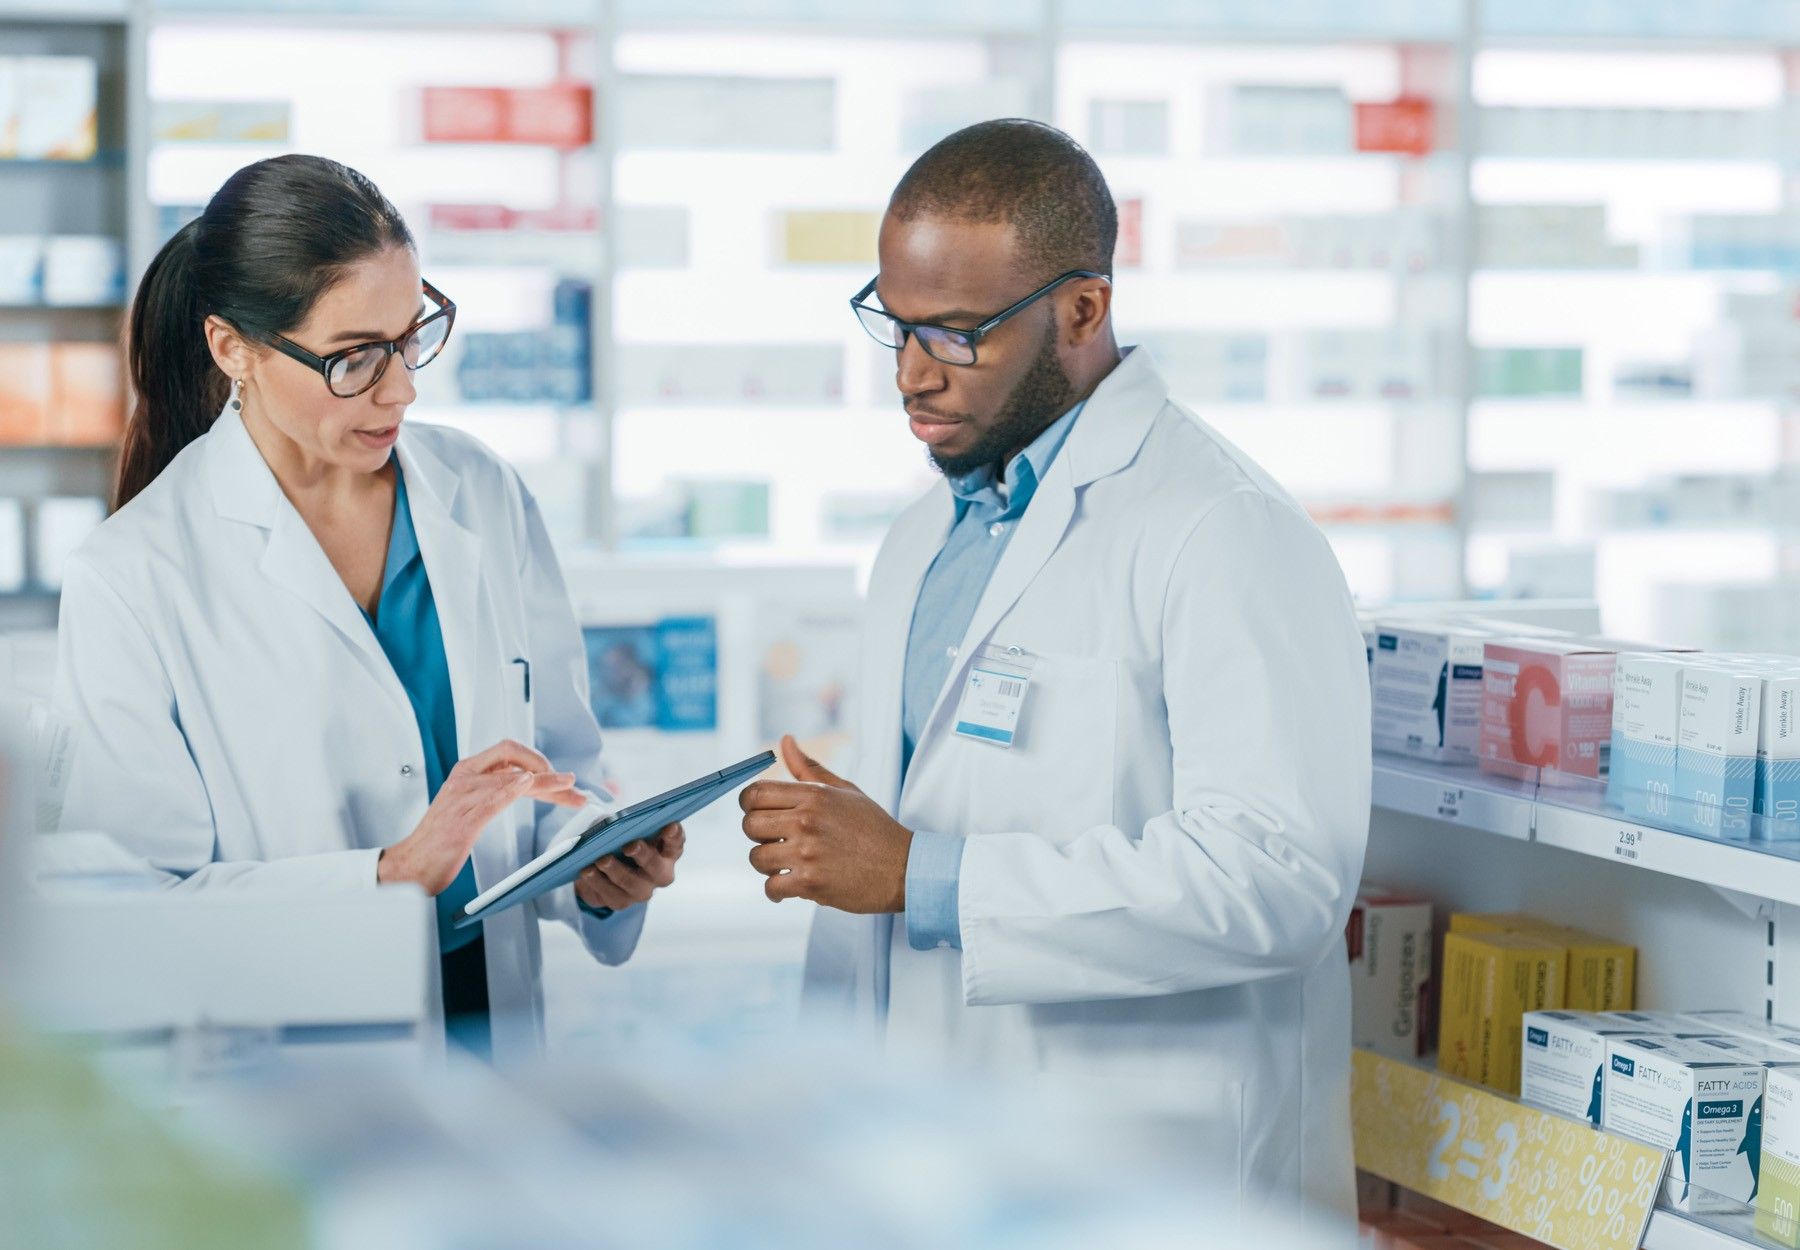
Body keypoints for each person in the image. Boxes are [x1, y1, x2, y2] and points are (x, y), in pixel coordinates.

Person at [739, 120, 1370, 1223]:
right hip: (929, 1155)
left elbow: (1279, 877)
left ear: (1082, 310)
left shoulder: (1224, 529)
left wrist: (924, 876)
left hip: (1147, 1178)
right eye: (892, 325)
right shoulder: (918, 542)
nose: (911, 373)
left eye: (955, 333)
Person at [54, 155, 683, 1064]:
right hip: (298, 1061)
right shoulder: (135, 573)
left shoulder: (480, 491)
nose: (401, 390)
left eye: (410, 336)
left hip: (492, 1026)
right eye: (354, 358)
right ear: (233, 348)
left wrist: (594, 865)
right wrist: (388, 876)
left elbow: (560, 766)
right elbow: (137, 912)